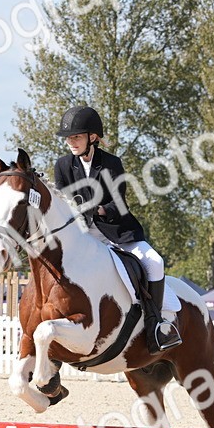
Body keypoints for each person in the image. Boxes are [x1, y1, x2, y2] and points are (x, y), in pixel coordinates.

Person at [52, 105, 180, 353]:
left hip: (115, 231)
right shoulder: (63, 165)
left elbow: (118, 202)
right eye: (68, 138)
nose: (71, 142)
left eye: (76, 137)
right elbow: (62, 199)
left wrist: (97, 210)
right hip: (82, 235)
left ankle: (156, 325)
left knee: (154, 262)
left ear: (93, 137)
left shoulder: (111, 163)